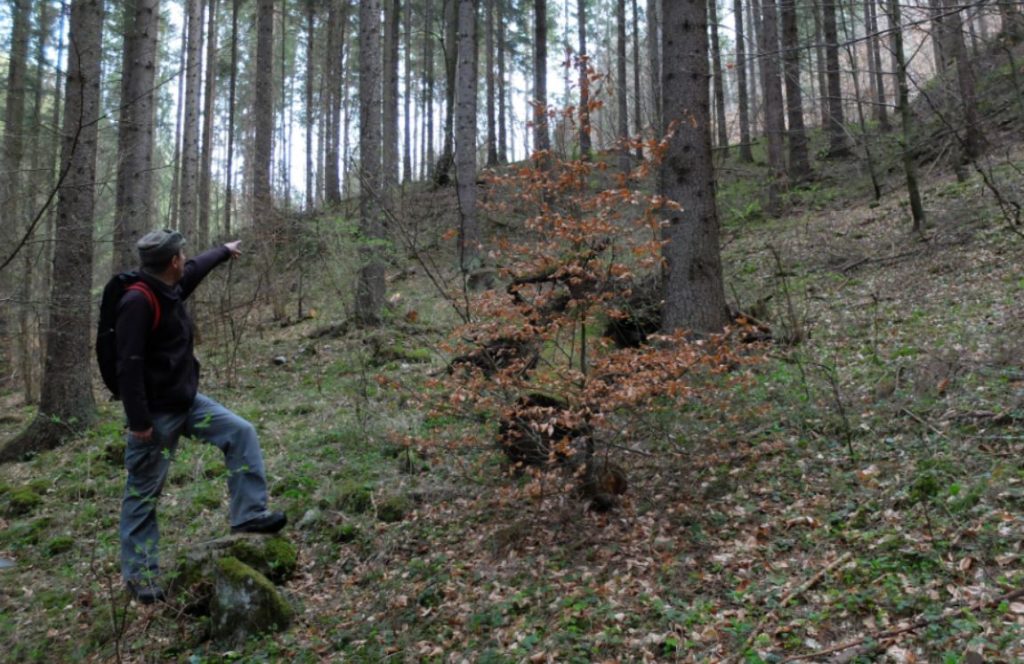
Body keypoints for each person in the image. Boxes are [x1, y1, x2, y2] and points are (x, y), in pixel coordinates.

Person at [117, 229, 286, 604]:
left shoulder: (168, 285)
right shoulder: (138, 302)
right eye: (182, 255)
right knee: (143, 494)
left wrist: (223, 252)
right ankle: (140, 576)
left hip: (188, 404)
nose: (185, 259)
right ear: (172, 261)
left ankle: (248, 514)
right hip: (155, 419)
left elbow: (196, 269)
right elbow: (128, 366)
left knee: (240, 433)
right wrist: (139, 421)